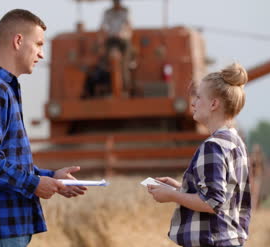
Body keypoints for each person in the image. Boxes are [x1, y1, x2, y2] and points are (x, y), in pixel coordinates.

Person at [0, 9, 87, 247]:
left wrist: (50, 177)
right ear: (18, 41)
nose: (42, 54)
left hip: (1, 229)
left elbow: (3, 161)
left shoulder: (2, 88)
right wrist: (34, 184)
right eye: (39, 44)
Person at [147, 63, 251, 247]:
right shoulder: (235, 142)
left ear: (213, 104)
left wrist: (172, 195)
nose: (193, 103)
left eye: (198, 97)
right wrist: (182, 188)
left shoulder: (213, 146)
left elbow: (211, 203)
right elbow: (221, 197)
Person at [99, 0, 133, 92]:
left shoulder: (125, 11)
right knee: (107, 61)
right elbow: (102, 26)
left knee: (124, 63)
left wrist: (123, 34)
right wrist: (101, 39)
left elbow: (128, 25)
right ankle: (108, 85)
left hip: (123, 40)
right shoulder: (108, 13)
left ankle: (126, 85)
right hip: (111, 40)